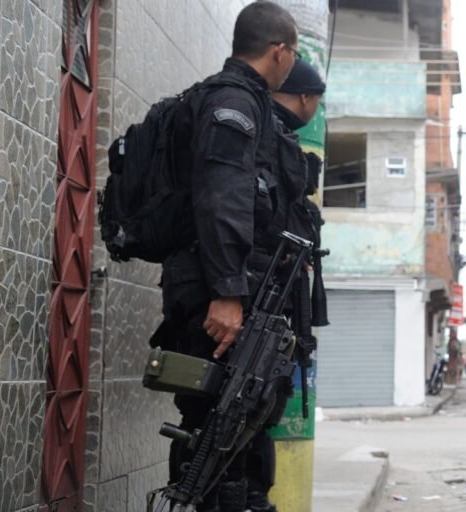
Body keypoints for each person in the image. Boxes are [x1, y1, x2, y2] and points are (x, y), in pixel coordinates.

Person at [148, 3, 303, 510]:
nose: (290, 63)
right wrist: (228, 293)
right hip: (218, 294)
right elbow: (222, 196)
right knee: (218, 435)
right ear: (279, 51)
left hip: (226, 289)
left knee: (237, 431)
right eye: (291, 54)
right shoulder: (232, 102)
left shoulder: (238, 100)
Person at [245, 57, 326, 512]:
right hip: (243, 311)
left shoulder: (273, 137)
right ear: (306, 99)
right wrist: (227, 296)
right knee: (229, 445)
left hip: (256, 312)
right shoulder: (259, 133)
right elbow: (228, 213)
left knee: (249, 438)